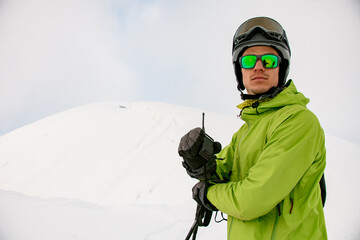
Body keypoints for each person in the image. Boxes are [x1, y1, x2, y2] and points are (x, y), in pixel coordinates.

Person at [178, 16, 327, 239]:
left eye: (268, 60)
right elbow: (221, 171)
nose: (258, 67)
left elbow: (251, 200)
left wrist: (209, 193)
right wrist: (200, 161)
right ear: (240, 72)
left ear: (281, 67)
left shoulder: (298, 121)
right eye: (249, 61)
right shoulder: (244, 133)